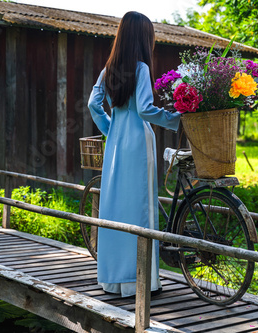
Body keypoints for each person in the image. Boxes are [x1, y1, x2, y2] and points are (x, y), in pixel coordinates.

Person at [87, 11, 181, 297]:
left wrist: (111, 130)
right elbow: (144, 109)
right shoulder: (140, 68)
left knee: (115, 207)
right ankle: (143, 281)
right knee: (140, 209)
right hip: (139, 146)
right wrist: (176, 119)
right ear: (141, 37)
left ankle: (114, 281)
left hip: (117, 146)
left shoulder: (108, 69)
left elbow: (93, 104)